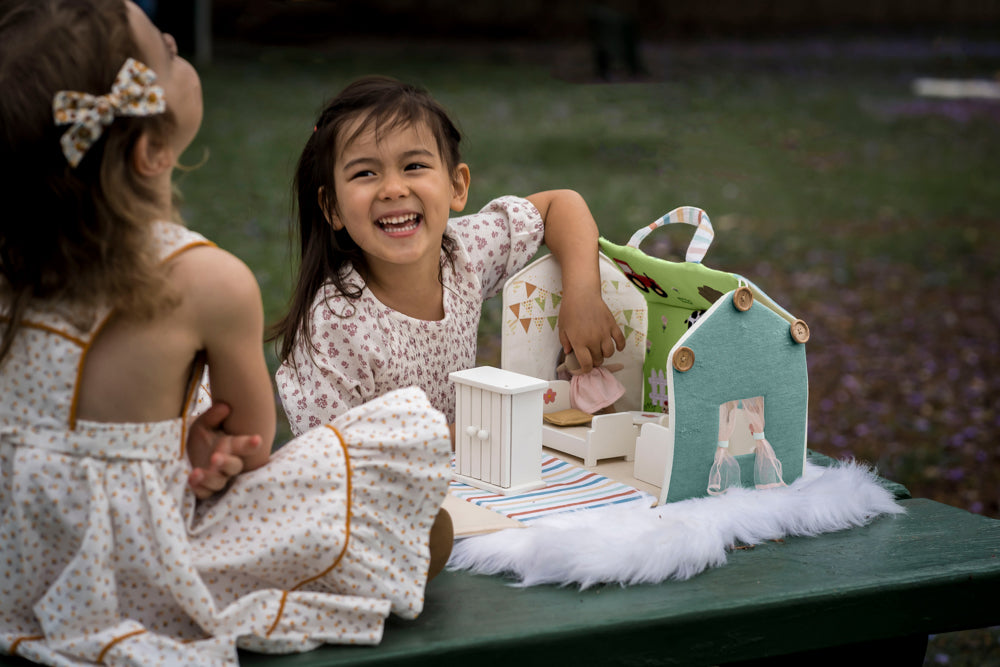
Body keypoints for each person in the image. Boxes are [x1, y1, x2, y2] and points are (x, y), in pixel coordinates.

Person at [0, 2, 452, 665]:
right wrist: (211, 457)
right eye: (165, 48)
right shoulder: (208, 281)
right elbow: (254, 443)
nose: (178, 40)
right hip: (141, 575)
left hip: (19, 569)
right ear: (151, 150)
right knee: (425, 520)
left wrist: (168, 442)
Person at [272, 75, 626, 436]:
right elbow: (335, 455)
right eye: (365, 173)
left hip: (468, 478)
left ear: (457, 186)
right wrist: (475, 431)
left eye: (414, 166)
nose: (393, 189)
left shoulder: (463, 251)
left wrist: (582, 294)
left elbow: (558, 206)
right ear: (332, 207)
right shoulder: (335, 325)